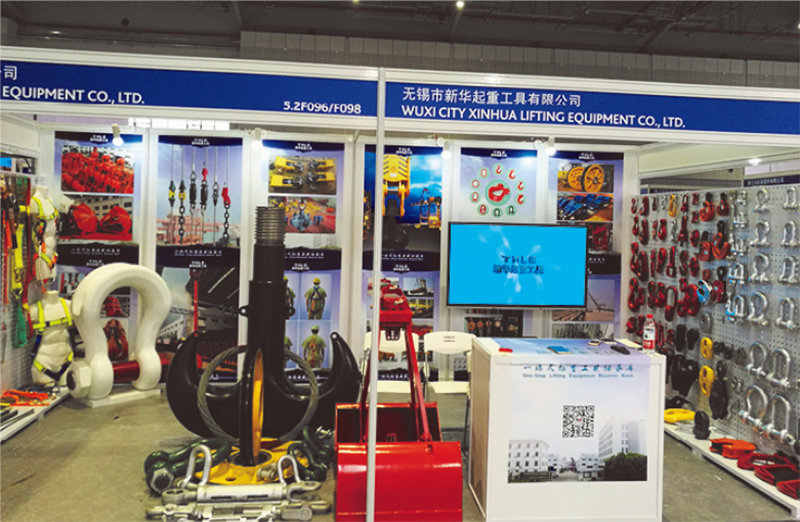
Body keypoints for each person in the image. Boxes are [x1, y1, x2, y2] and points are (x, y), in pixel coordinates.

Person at [29, 291, 73, 385]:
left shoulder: (69, 306)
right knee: (47, 393)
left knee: (66, 393)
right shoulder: (35, 310)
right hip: (44, 363)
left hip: (66, 360)